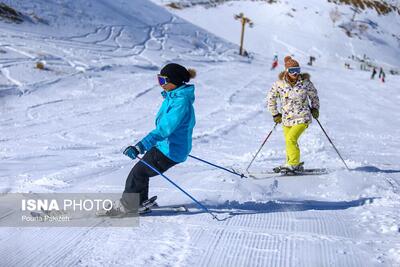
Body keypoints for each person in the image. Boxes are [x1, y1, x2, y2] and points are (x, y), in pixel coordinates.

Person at [107, 63, 196, 215]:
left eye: (163, 81)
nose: (160, 84)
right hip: (168, 146)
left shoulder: (180, 103)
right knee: (141, 172)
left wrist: (140, 146)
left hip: (169, 150)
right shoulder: (175, 97)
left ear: (173, 81)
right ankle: (140, 201)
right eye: (159, 79)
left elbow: (164, 129)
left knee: (138, 174)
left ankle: (130, 206)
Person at [267, 56, 320, 171]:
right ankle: (289, 162)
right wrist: (275, 114)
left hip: (303, 117)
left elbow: (314, 96)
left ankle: (294, 163)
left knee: (291, 139)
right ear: (286, 71)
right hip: (287, 119)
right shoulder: (279, 84)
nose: (295, 73)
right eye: (292, 70)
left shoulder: (305, 83)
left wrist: (315, 109)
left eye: (297, 70)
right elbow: (271, 98)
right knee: (289, 141)